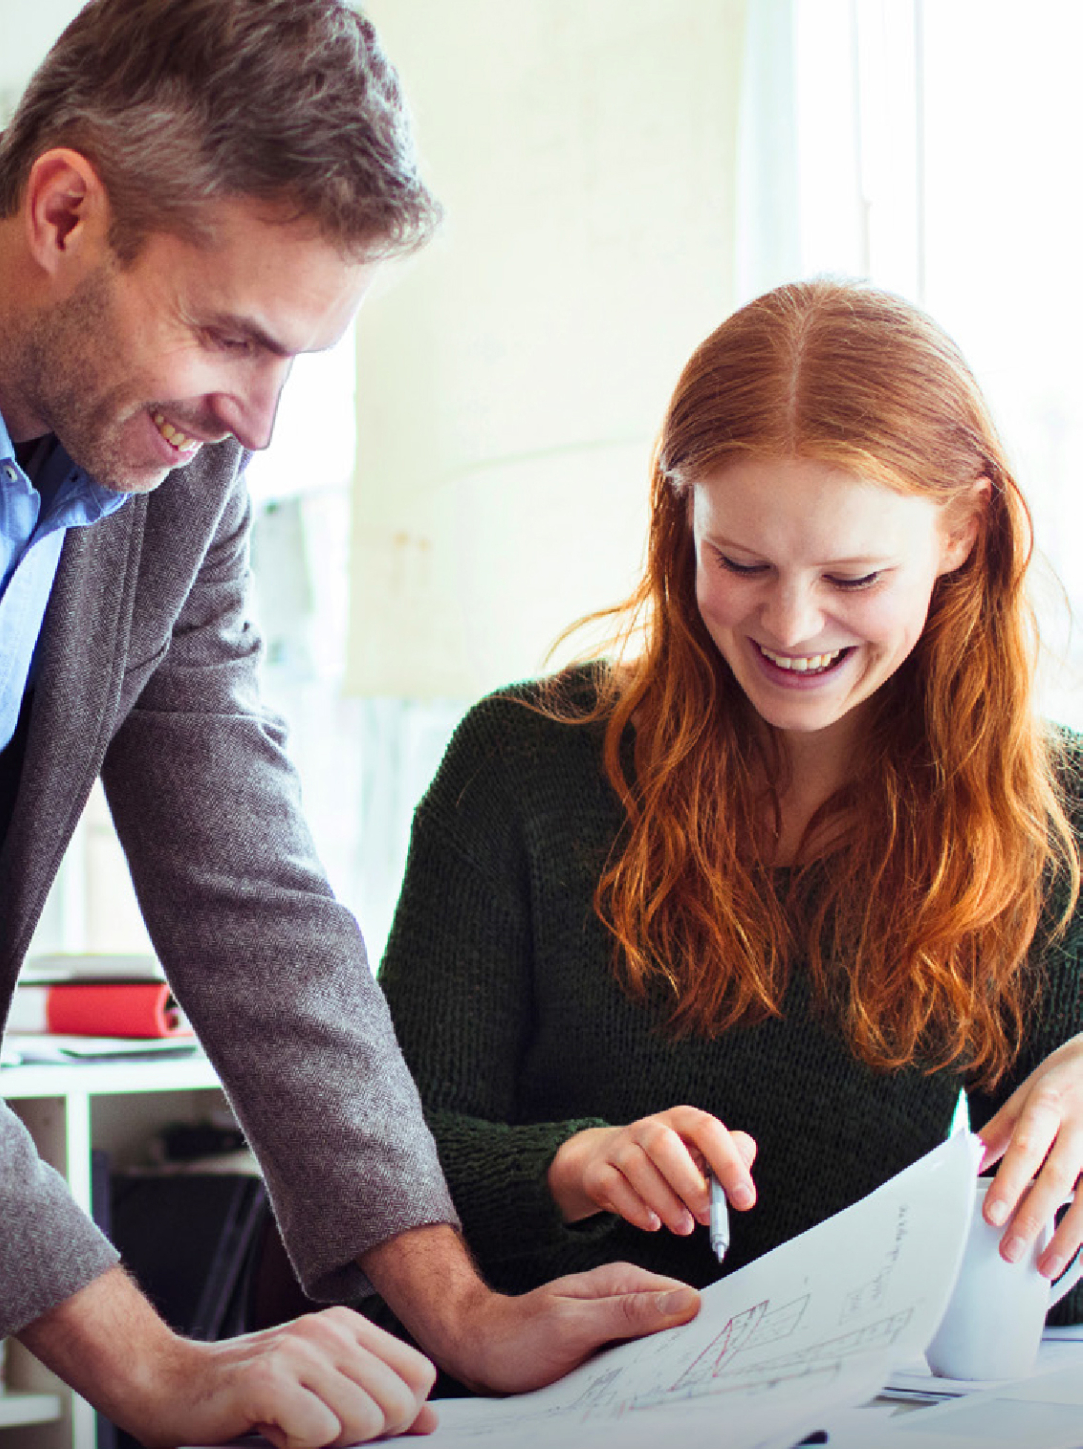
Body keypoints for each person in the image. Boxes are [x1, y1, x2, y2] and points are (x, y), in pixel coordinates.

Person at [0, 3, 700, 1445]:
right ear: (65, 208)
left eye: (299, 360)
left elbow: (242, 868)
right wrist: (146, 1362)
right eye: (235, 335)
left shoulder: (175, 446)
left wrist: (458, 1304)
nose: (259, 422)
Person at [375, 279, 1083, 1325]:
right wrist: (574, 1165)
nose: (791, 627)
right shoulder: (520, 766)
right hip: (531, 1400)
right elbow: (376, 1148)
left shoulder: (1044, 810)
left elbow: (1040, 1284)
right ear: (680, 517)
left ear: (961, 532)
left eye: (851, 576)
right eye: (739, 561)